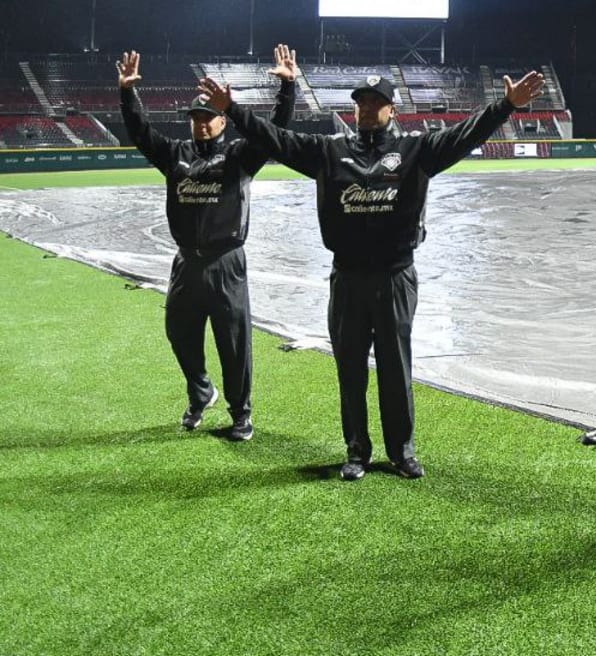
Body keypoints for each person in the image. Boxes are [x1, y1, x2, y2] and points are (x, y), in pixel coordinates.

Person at [196, 67, 545, 480]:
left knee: (396, 369)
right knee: (351, 369)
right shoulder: (328, 151)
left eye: (376, 102)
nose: (366, 108)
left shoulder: (418, 151)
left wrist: (506, 106)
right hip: (347, 279)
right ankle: (357, 451)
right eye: (361, 102)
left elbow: (465, 135)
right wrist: (233, 110)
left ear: (391, 109)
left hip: (395, 276)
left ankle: (402, 451)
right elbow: (278, 140)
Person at [117, 46, 298, 439]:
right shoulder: (174, 155)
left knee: (233, 342)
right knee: (178, 332)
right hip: (186, 263)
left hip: (226, 262)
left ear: (222, 123)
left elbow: (274, 133)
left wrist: (288, 88)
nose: (201, 124)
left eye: (208, 117)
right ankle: (201, 392)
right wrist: (128, 94)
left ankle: (241, 414)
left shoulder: (239, 157)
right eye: (196, 118)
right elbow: (140, 133)